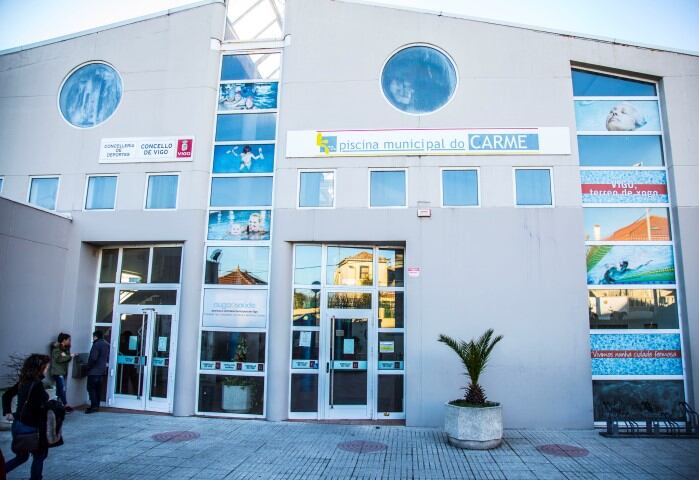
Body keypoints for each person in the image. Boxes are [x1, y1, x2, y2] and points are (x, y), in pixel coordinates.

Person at [2, 354, 51, 480]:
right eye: (46, 367)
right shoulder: (37, 384)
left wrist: (8, 412)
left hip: (17, 426)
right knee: (40, 455)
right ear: (40, 368)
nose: (47, 369)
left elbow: (6, 395)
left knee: (21, 457)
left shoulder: (23, 381)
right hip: (30, 428)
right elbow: (36, 408)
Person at [49, 333, 76, 412]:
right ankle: (65, 405)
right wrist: (70, 356)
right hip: (58, 372)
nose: (70, 341)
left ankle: (58, 406)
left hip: (62, 372)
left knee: (59, 389)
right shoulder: (57, 349)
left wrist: (69, 356)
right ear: (64, 340)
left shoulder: (64, 349)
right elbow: (59, 359)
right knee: (62, 389)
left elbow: (66, 358)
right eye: (68, 340)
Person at [86, 330, 110, 414]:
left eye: (93, 337)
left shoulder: (96, 344)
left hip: (94, 371)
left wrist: (88, 367)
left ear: (95, 336)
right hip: (102, 371)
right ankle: (97, 406)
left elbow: (93, 358)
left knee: (91, 389)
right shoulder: (106, 344)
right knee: (98, 389)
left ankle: (93, 406)